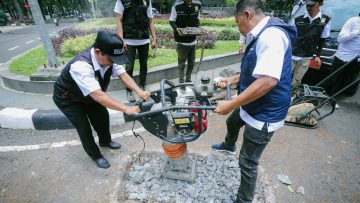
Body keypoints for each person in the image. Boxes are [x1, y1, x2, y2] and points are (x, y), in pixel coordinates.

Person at [211, 0, 296, 202]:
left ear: (247, 15)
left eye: (237, 20)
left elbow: (267, 81)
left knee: (248, 161)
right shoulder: (260, 32)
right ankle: (229, 145)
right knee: (232, 122)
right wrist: (231, 80)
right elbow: (256, 71)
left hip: (266, 110)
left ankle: (244, 199)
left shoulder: (271, 37)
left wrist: (231, 104)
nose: (237, 25)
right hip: (254, 102)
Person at [53, 31, 150, 169]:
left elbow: (123, 75)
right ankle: (95, 155)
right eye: (112, 60)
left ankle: (105, 141)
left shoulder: (110, 57)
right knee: (84, 127)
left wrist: (139, 91)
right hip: (69, 98)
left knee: (102, 117)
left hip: (91, 94)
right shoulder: (81, 66)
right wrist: (126, 108)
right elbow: (99, 96)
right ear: (98, 52)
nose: (113, 63)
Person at [114, 0, 157, 101]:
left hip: (144, 39)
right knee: (129, 66)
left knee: (144, 65)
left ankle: (142, 86)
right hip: (129, 40)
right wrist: (121, 40)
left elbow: (150, 21)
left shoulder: (147, 1)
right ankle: (129, 90)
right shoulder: (122, 1)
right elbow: (119, 20)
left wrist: (154, 39)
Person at [291, 0, 332, 87]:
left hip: (306, 56)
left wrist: (318, 56)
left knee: (296, 81)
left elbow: (322, 39)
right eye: (307, 5)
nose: (309, 7)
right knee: (282, 78)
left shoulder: (325, 20)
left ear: (320, 4)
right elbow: (290, 36)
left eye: (312, 5)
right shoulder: (298, 19)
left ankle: (291, 99)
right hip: (292, 54)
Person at [326, 15, 360, 96]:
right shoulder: (353, 21)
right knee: (331, 80)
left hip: (356, 60)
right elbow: (340, 39)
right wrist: (357, 32)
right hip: (343, 58)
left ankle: (330, 99)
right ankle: (318, 98)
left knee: (344, 82)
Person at [169, 0, 201, 85]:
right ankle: (181, 81)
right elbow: (172, 21)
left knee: (191, 62)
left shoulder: (197, 5)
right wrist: (177, 29)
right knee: (182, 63)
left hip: (192, 40)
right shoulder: (176, 5)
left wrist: (199, 29)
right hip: (181, 41)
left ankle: (188, 79)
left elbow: (197, 19)